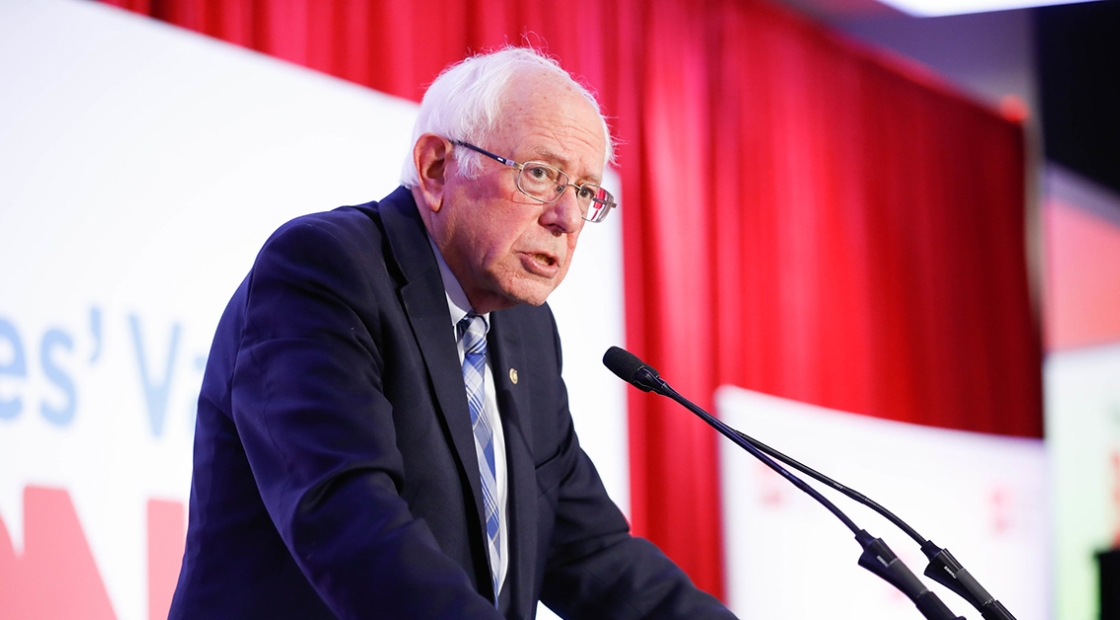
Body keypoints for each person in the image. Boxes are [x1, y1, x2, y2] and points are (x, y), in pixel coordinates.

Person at [168, 47, 735, 620]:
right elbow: (349, 521)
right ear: (437, 167)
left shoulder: (526, 330)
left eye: (586, 192)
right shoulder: (325, 270)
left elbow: (591, 552)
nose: (565, 217)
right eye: (540, 174)